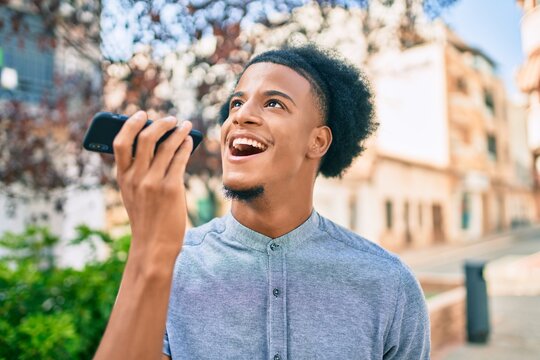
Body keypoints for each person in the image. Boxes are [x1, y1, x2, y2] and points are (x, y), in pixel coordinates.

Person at [94, 44, 430, 360]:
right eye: (236, 104)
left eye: (273, 104)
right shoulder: (174, 265)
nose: (240, 116)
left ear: (317, 141)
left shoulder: (388, 283)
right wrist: (150, 251)